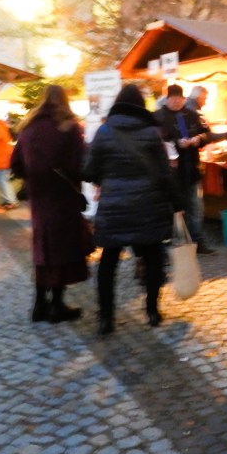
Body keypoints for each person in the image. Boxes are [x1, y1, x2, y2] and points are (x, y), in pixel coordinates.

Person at [83, 84, 176, 335]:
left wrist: (107, 176)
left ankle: (106, 318)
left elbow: (89, 171)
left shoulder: (104, 131)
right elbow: (165, 173)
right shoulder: (151, 132)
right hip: (148, 206)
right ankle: (152, 311)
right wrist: (175, 203)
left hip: (114, 206)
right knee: (153, 258)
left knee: (109, 262)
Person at [10, 85, 92, 324]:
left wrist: (32, 177)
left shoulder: (28, 128)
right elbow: (80, 164)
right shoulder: (68, 127)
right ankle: (56, 305)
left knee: (43, 248)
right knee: (62, 249)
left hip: (39, 198)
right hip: (63, 197)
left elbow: (15, 163)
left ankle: (39, 305)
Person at [156, 84, 216, 255]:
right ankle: (176, 245)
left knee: (196, 208)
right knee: (173, 210)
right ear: (167, 99)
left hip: (192, 169)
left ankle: (198, 242)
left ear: (183, 98)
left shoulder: (192, 115)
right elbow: (156, 142)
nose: (176, 102)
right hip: (170, 174)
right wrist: (175, 144)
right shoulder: (158, 117)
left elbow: (208, 134)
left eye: (178, 98)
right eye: (172, 98)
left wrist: (199, 139)